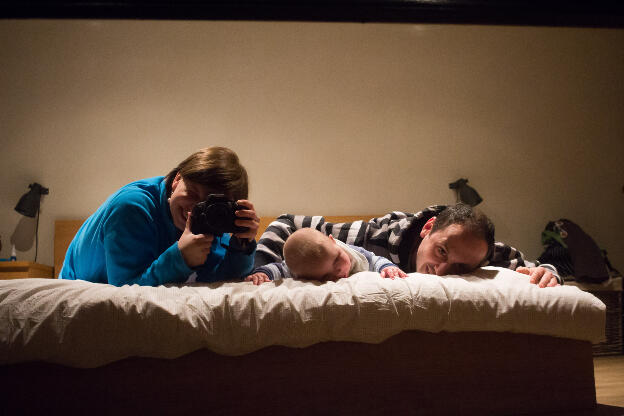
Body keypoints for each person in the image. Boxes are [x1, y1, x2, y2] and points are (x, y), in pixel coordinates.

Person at [59, 146, 260, 286]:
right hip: (78, 290)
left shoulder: (213, 218)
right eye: (192, 193)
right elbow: (122, 292)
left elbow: (220, 279)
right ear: (177, 180)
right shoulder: (132, 207)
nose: (194, 210)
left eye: (209, 203)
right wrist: (180, 258)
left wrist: (241, 245)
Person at [253, 204, 562, 287]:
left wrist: (549, 272)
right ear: (429, 228)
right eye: (442, 252)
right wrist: (260, 272)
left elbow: (533, 265)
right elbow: (287, 223)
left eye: (459, 267)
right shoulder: (374, 236)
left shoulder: (475, 249)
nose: (441, 271)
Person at [246, 228, 407, 284]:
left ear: (333, 241)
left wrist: (388, 267)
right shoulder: (298, 268)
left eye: (337, 258)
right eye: (326, 276)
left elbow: (374, 259)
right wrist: (262, 273)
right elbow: (277, 269)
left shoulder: (351, 253)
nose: (339, 272)